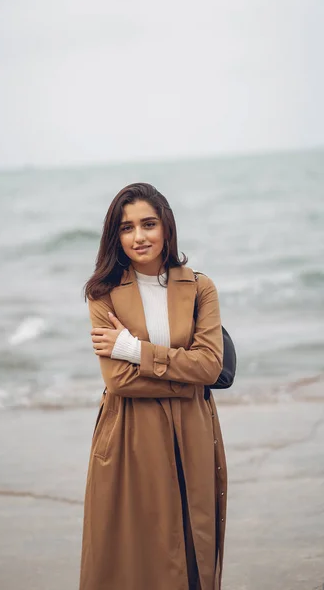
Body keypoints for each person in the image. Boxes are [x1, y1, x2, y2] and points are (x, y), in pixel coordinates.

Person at [80, 182, 227, 590]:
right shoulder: (103, 294)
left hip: (194, 429)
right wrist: (185, 377)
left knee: (194, 543)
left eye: (149, 224)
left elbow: (211, 366)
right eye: (127, 228)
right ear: (116, 236)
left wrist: (133, 349)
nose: (139, 236)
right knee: (133, 554)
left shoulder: (200, 287)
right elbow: (119, 381)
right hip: (130, 433)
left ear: (166, 228)